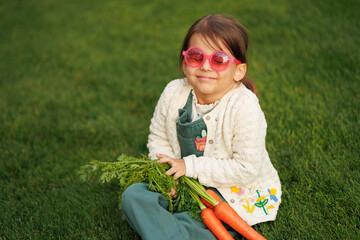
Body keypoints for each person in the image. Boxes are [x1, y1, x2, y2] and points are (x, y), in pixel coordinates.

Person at [121, 14, 281, 240]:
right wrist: (166, 177)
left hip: (229, 188)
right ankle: (179, 230)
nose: (206, 66)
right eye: (196, 57)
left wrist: (190, 166)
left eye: (219, 59)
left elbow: (246, 168)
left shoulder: (244, 106)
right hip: (181, 179)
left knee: (206, 216)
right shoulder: (174, 92)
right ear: (185, 63)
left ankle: (175, 230)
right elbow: (159, 138)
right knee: (133, 196)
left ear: (238, 71)